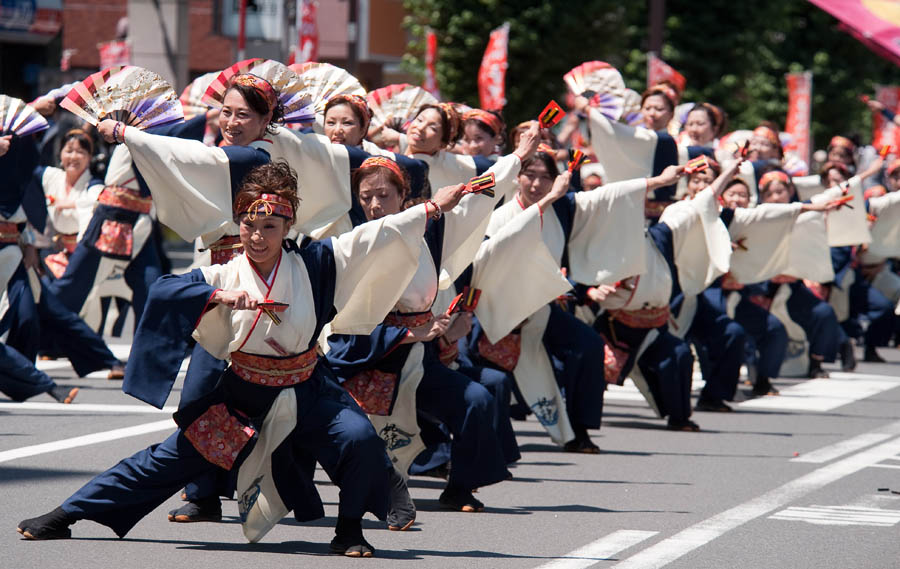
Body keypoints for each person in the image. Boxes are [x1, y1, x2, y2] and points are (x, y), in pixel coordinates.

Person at [16, 160, 467, 558]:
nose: (257, 236)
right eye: (250, 225)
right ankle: (65, 513)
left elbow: (376, 235)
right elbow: (165, 290)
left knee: (359, 440)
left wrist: (433, 208)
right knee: (164, 462)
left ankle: (348, 531)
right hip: (243, 395)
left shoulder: (316, 260)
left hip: (308, 389)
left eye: (269, 227)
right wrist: (218, 296)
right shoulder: (225, 271)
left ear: (287, 227)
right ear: (240, 224)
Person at [326, 137, 536, 525]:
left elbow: (478, 195)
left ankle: (460, 487)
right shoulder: (351, 243)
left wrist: (519, 157)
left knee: (478, 398)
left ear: (404, 196)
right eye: (366, 196)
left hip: (419, 359)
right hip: (366, 360)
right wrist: (409, 335)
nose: (374, 205)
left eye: (384, 195)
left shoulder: (430, 233)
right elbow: (343, 326)